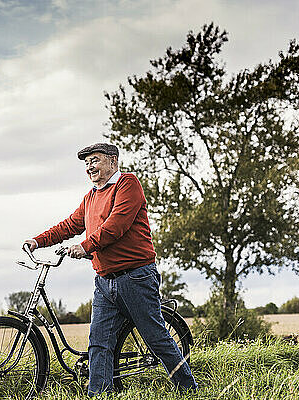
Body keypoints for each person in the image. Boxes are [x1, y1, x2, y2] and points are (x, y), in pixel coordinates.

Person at [23, 143, 197, 396]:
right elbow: (69, 225)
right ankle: (99, 394)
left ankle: (189, 388)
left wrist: (86, 246)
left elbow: (117, 225)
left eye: (94, 160)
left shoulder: (128, 184)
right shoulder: (91, 196)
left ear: (113, 162)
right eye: (86, 163)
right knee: (99, 343)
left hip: (136, 277)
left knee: (156, 338)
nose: (90, 167)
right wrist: (38, 241)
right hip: (104, 282)